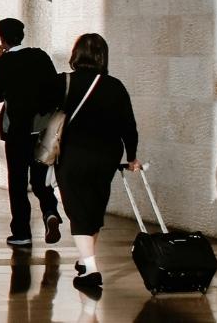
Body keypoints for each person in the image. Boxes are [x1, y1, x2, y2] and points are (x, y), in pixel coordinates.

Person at [48, 33, 141, 288]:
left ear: (76, 54)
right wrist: (131, 156)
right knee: (94, 208)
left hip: (72, 154)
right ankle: (86, 258)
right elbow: (129, 127)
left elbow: (43, 114)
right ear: (103, 56)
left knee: (78, 211)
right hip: (107, 156)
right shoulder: (115, 86)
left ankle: (90, 270)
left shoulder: (63, 82)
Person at [0, 18, 64, 247]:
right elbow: (54, 88)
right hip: (41, 129)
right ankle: (50, 212)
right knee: (40, 179)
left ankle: (21, 232)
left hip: (17, 131)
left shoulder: (3, 63)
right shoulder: (40, 56)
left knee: (18, 182)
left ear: (2, 39)